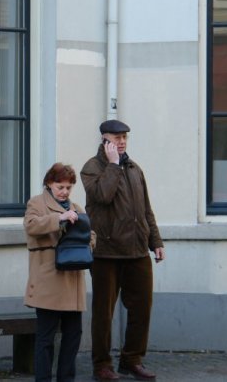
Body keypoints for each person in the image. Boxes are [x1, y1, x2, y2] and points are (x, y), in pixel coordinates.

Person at [81, 119, 165, 381]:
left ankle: (131, 360)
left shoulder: (135, 168)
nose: (121, 142)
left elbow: (145, 210)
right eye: (116, 138)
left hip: (138, 251)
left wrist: (156, 242)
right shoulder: (92, 168)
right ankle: (102, 366)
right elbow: (103, 196)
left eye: (124, 137)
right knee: (103, 314)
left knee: (142, 309)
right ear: (104, 141)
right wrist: (114, 165)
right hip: (106, 252)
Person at [23, 162, 96, 382]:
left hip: (72, 281)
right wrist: (59, 219)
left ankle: (67, 378)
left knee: (73, 336)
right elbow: (31, 226)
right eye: (60, 187)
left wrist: (88, 242)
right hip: (48, 281)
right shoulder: (36, 203)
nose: (64, 192)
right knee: (45, 338)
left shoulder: (76, 206)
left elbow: (91, 234)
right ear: (49, 183)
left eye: (68, 187)